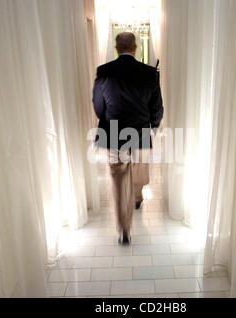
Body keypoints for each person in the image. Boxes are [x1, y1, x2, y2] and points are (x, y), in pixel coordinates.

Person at [92, 32, 164, 245]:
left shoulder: (104, 72)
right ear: (135, 48)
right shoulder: (149, 73)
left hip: (113, 132)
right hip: (140, 131)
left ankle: (124, 230)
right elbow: (157, 107)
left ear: (116, 48)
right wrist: (154, 126)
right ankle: (138, 197)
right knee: (139, 169)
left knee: (118, 177)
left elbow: (98, 106)